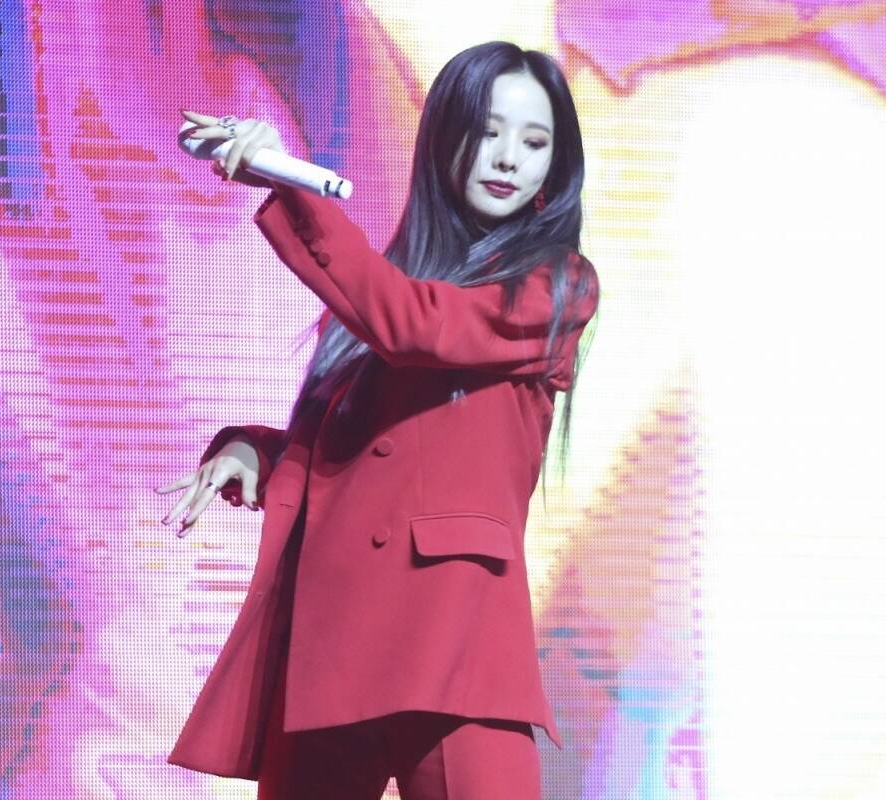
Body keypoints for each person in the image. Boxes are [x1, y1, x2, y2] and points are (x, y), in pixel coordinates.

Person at [156, 40, 600, 799]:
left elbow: (414, 325)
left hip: (458, 645)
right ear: (444, 137)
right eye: (487, 131)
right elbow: (368, 454)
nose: (508, 157)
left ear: (555, 169)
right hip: (333, 643)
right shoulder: (371, 300)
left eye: (535, 143)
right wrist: (257, 452)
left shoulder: (553, 287)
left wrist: (290, 192)